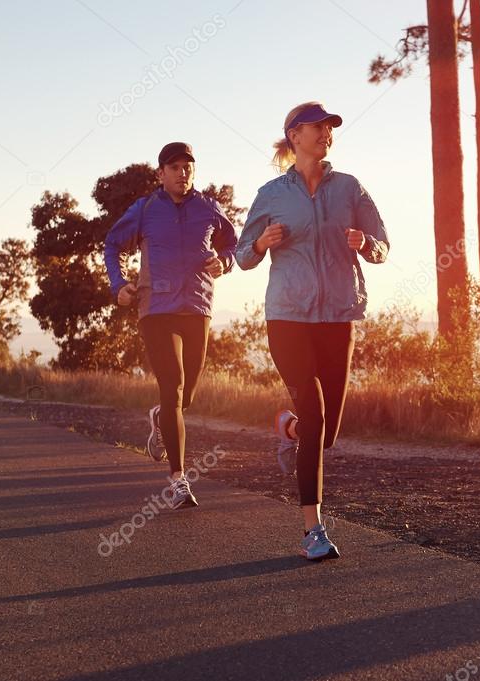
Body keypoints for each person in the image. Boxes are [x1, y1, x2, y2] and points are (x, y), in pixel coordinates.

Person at [235, 102, 389, 560]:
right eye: (316, 127)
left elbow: (383, 245)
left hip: (337, 316)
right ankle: (312, 531)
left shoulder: (349, 188)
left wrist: (367, 244)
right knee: (317, 412)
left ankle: (290, 429)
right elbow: (243, 254)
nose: (325, 133)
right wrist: (262, 243)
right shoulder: (271, 193)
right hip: (287, 317)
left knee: (326, 434)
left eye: (329, 127)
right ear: (293, 136)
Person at [104, 142, 237, 509]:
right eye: (175, 167)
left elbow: (234, 244)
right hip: (156, 307)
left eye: (188, 167)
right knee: (173, 387)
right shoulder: (145, 209)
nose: (183, 173)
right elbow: (112, 244)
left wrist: (225, 261)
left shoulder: (208, 207)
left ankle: (160, 417)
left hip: (197, 306)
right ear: (161, 173)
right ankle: (179, 479)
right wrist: (119, 285)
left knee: (187, 395)